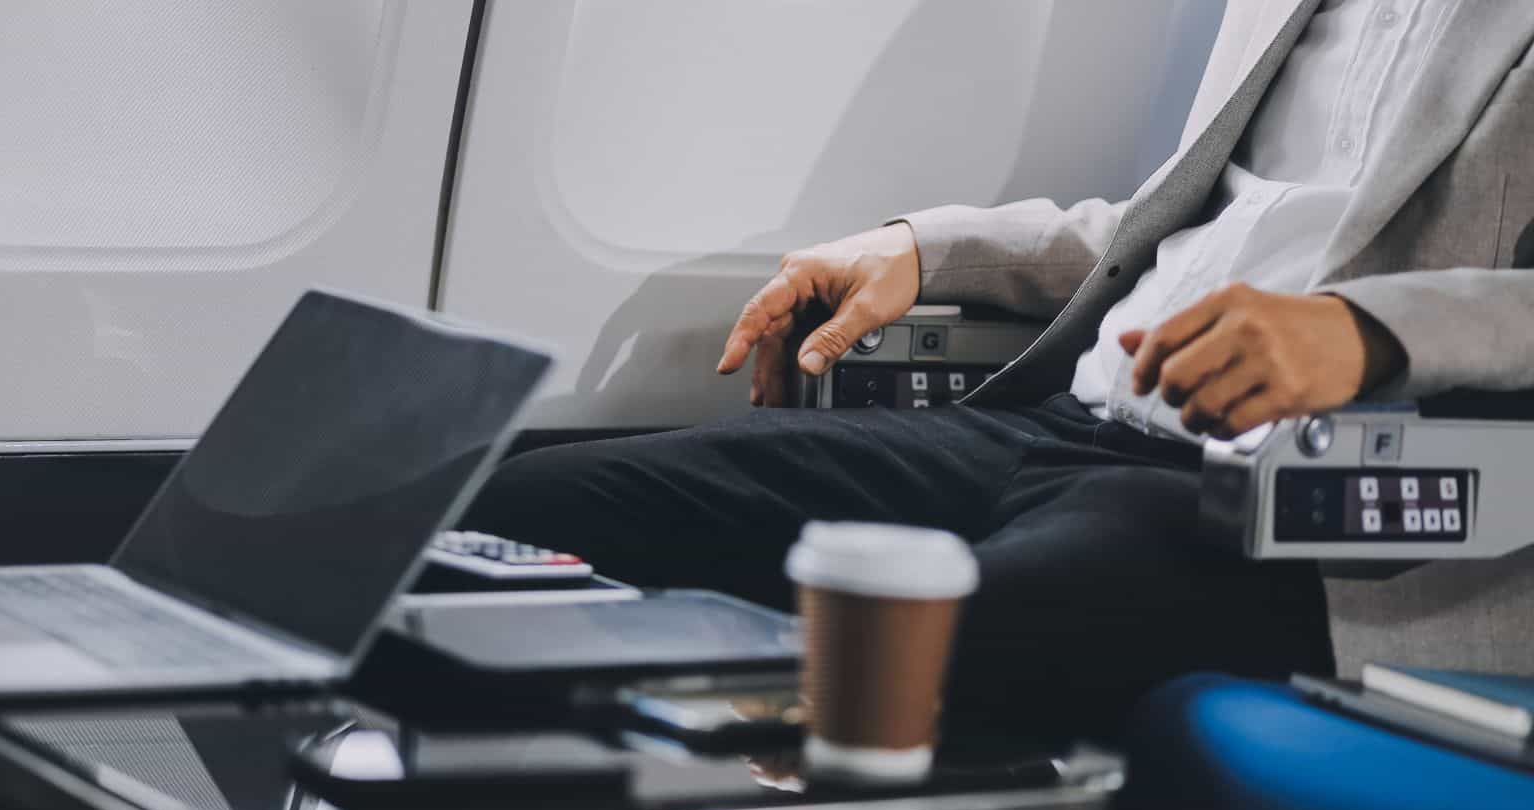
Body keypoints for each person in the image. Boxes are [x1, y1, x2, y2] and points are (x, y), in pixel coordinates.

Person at [467, 0, 1534, 737]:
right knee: (519, 517)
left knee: (915, 651)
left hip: (1320, 511)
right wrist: (928, 250)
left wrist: (1370, 329)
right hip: (1068, 422)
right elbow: (1181, 221)